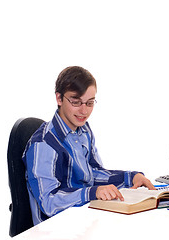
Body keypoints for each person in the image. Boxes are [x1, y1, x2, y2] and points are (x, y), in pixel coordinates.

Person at [22, 66, 155, 225]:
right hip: (55, 228)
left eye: (90, 103)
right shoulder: (44, 144)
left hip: (83, 218)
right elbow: (48, 201)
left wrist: (131, 177)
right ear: (59, 98)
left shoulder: (83, 130)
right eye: (76, 102)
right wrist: (92, 193)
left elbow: (92, 173)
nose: (84, 111)